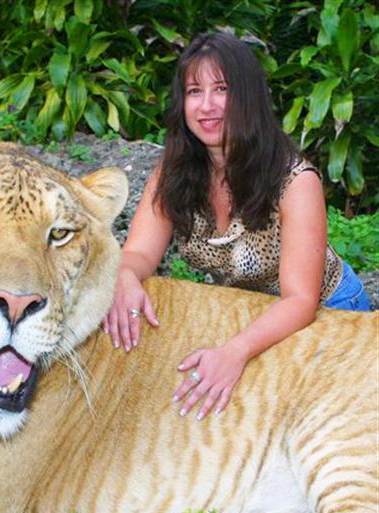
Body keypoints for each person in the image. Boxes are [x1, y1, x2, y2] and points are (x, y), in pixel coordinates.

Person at [103, 31, 371, 422]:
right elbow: (140, 252)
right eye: (195, 91)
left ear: (247, 97)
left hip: (327, 311)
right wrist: (125, 274)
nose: (207, 105)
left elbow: (300, 300)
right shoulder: (174, 173)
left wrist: (234, 352)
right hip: (242, 312)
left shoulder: (295, 180)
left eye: (221, 89)